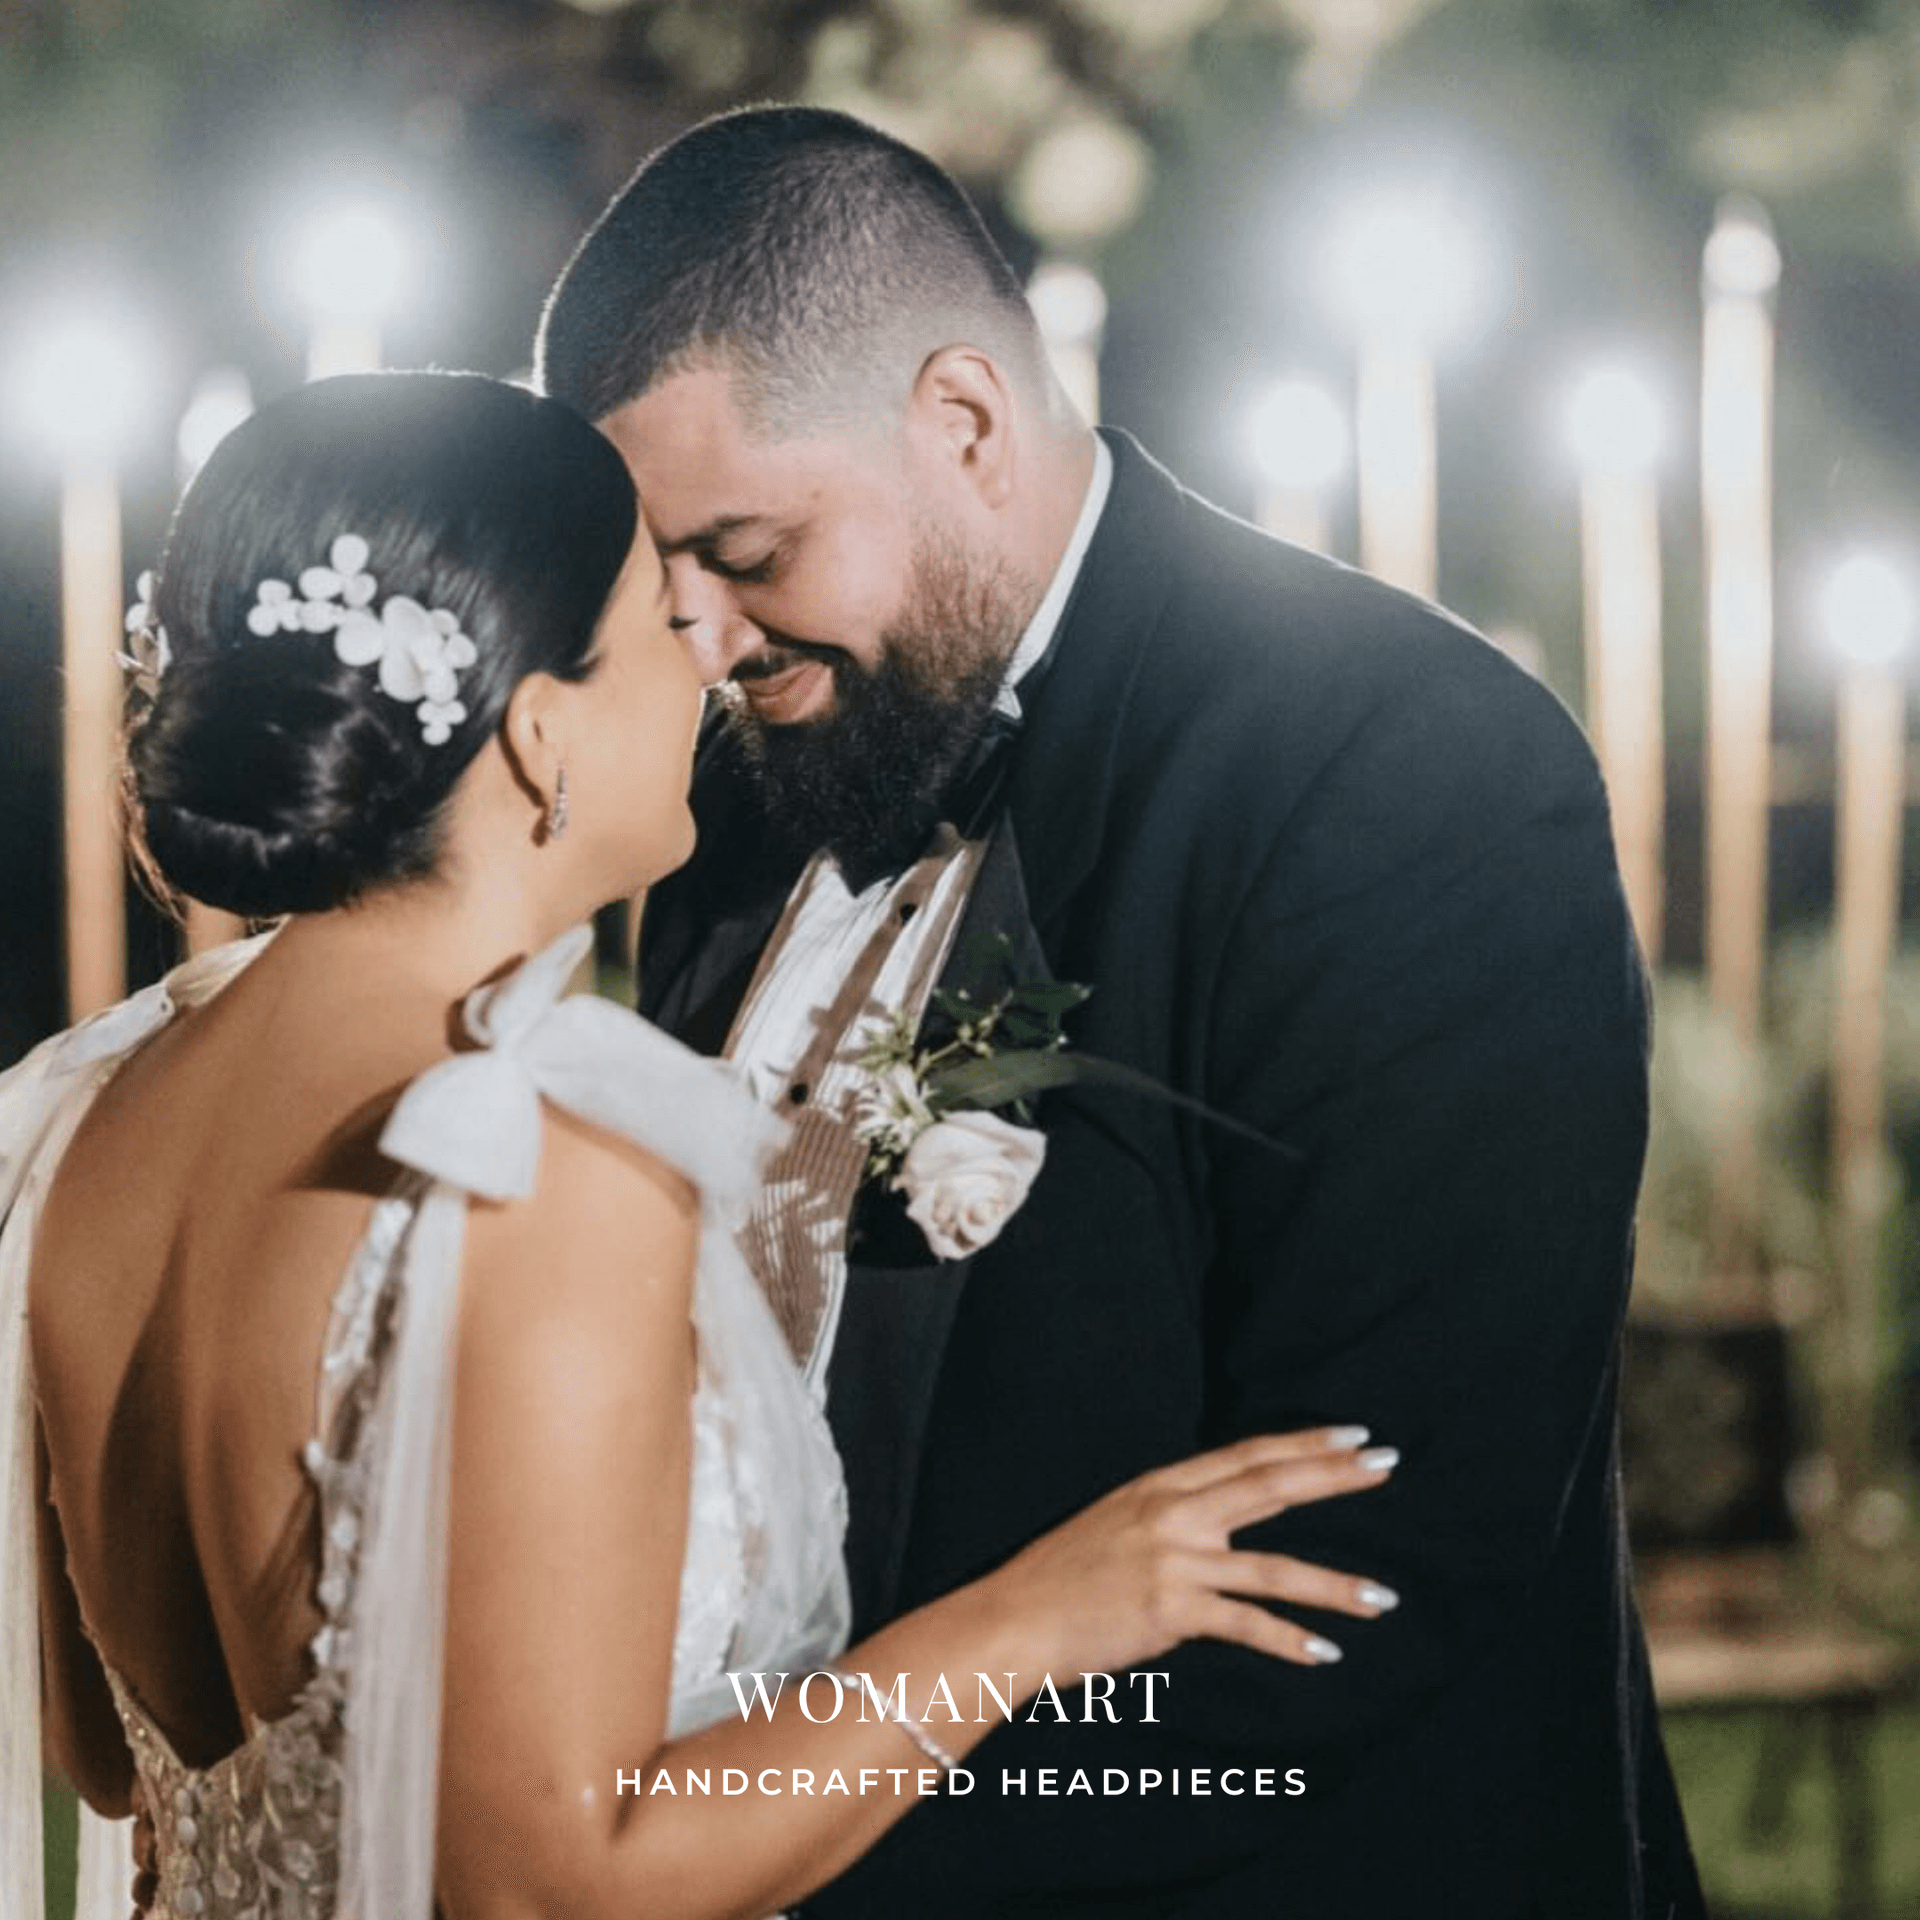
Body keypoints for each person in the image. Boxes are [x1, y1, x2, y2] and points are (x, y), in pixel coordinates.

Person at [4, 370, 1403, 1920]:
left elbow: (107, 1751)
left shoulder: (91, 1116)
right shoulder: (523, 1166)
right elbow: (557, 1883)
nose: (710, 662)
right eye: (656, 629)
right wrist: (1036, 1620)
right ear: (541, 738)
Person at [536, 106, 1707, 1919]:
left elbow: (1361, 1573)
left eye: (747, 551)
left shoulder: (1397, 769)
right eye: (658, 576)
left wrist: (767, 1855)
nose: (700, 641)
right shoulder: (741, 809)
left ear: (968, 422)